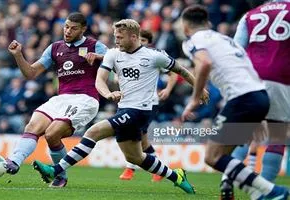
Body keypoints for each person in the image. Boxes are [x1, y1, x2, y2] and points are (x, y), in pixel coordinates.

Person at [32, 19, 209, 193]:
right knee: (136, 157)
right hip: (123, 109)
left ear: (133, 37)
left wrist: (200, 89)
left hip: (141, 110)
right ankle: (176, 176)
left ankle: (55, 170)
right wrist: (108, 93)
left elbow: (182, 71)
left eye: (119, 38)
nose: (116, 41)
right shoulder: (113, 55)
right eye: (115, 37)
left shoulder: (154, 56)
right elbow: (99, 80)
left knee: (93, 132)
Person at [180, 5, 289, 200]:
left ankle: (272, 191)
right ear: (209, 23)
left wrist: (195, 98)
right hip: (261, 94)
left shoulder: (192, 41)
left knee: (212, 156)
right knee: (230, 150)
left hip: (242, 98)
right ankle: (256, 192)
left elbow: (204, 63)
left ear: (185, 28)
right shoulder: (223, 39)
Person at [5, 12, 107, 188]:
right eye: (66, 26)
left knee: (52, 134)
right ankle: (14, 162)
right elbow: (31, 73)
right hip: (61, 98)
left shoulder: (95, 46)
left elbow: (121, 61)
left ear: (84, 29)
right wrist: (18, 55)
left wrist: (100, 58)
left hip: (86, 98)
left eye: (73, 28)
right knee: (32, 126)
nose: (68, 31)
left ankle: (59, 174)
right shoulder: (55, 48)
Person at [220, 0, 290, 199]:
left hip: (250, 79)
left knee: (242, 133)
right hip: (281, 78)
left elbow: (236, 50)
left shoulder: (250, 15)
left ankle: (227, 179)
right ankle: (265, 190)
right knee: (278, 136)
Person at [119, 29, 178, 182]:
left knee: (137, 135)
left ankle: (130, 169)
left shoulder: (155, 55)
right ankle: (157, 169)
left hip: (149, 103)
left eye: (144, 41)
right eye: (140, 40)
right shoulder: (125, 55)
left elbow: (174, 72)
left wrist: (168, 89)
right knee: (142, 139)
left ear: (148, 42)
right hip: (130, 101)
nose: (141, 43)